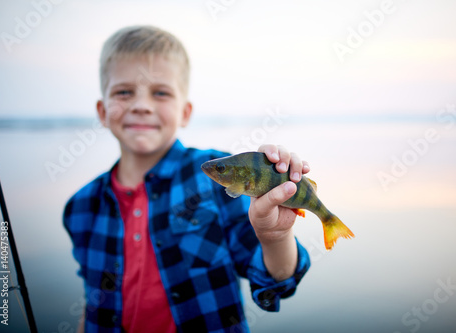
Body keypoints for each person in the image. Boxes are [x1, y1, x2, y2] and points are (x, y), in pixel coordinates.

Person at [63, 25, 310, 333]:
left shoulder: (220, 180)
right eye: (123, 92)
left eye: (161, 93)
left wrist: (275, 236)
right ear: (102, 111)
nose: (141, 105)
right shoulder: (80, 208)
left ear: (185, 112)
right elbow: (94, 301)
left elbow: (275, 280)